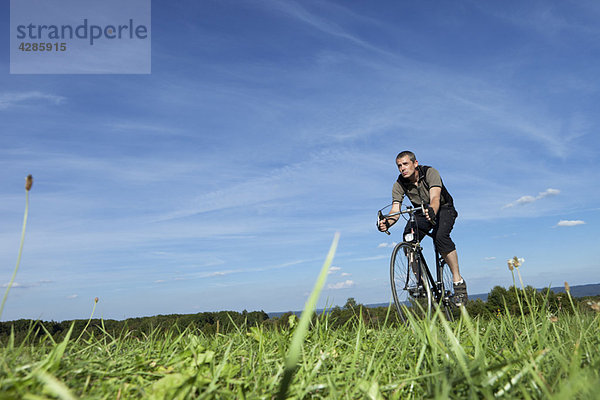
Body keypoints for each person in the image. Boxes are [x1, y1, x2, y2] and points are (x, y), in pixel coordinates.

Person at [378, 151, 468, 305]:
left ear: (415, 163)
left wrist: (432, 210)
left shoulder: (430, 173)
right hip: (420, 211)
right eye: (399, 166)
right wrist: (387, 222)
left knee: (441, 238)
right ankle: (422, 283)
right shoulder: (399, 184)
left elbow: (435, 197)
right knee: (409, 238)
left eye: (405, 164)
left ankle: (457, 281)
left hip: (443, 208)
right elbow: (395, 210)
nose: (402, 168)